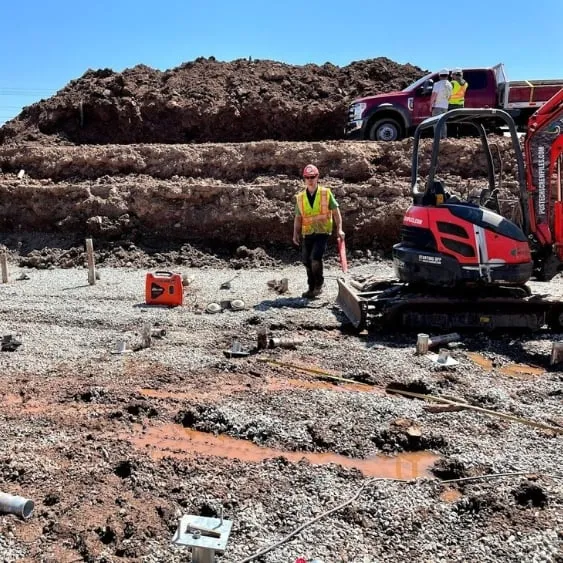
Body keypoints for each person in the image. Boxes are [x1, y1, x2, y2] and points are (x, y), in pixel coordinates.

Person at [293, 164, 344, 299]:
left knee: (315, 258)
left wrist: (339, 229)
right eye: (307, 177)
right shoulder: (300, 197)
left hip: (322, 232)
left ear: (317, 177)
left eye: (313, 177)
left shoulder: (325, 193)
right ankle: (311, 287)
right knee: (306, 260)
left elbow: (336, 212)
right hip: (308, 233)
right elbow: (298, 217)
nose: (310, 179)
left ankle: (318, 285)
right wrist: (295, 233)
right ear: (304, 178)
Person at [430, 69, 452, 139]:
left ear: (439, 76)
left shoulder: (437, 84)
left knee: (436, 123)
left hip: (437, 106)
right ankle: (444, 138)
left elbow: (434, 95)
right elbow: (450, 97)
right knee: (443, 123)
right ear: (447, 76)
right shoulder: (450, 85)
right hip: (445, 107)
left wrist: (430, 105)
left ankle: (437, 139)